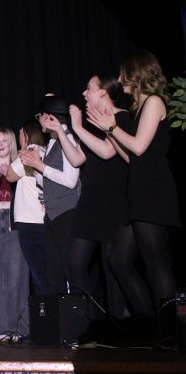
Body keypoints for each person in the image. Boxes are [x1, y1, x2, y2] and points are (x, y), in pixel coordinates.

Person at [87, 50, 180, 320]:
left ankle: (168, 328)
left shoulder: (153, 101)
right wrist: (109, 131)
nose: (119, 79)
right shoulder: (140, 107)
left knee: (155, 261)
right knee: (118, 260)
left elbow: (139, 147)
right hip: (138, 188)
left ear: (137, 73)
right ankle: (150, 321)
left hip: (153, 188)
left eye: (123, 73)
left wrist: (112, 128)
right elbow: (130, 157)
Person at [66, 75, 131, 319]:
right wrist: (61, 130)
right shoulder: (92, 123)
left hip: (113, 200)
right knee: (74, 263)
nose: (84, 93)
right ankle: (88, 323)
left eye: (89, 88)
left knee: (110, 266)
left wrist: (78, 128)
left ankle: (116, 326)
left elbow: (106, 152)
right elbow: (77, 159)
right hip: (90, 201)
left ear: (103, 92)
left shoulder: (122, 118)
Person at [18, 96, 81, 294]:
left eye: (40, 117)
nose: (39, 122)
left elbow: (70, 181)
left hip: (67, 213)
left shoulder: (68, 139)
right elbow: (48, 181)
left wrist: (40, 165)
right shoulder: (53, 142)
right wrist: (35, 167)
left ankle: (79, 312)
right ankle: (57, 313)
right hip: (52, 216)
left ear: (49, 117)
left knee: (72, 272)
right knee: (53, 275)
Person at [0, 128, 29, 342]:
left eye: (5, 141)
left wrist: (9, 174)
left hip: (15, 221)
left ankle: (20, 328)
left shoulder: (21, 166)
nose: (0, 144)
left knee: (16, 275)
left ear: (12, 143)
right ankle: (2, 329)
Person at [6, 117, 48, 297]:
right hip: (43, 220)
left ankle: (51, 309)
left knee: (40, 275)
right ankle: (44, 312)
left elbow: (10, 175)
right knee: (41, 274)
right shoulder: (46, 150)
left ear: (25, 134)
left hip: (31, 222)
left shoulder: (30, 152)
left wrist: (22, 149)